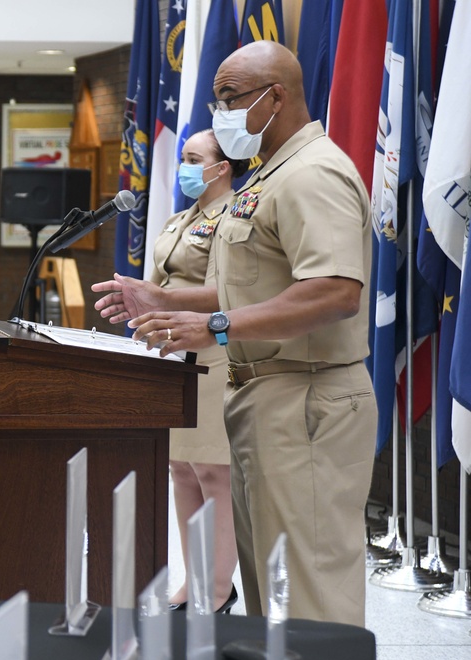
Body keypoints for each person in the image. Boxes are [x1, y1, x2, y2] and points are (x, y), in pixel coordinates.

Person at [92, 41, 375, 627]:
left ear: (276, 96)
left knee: (308, 593)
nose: (219, 114)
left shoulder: (313, 173)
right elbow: (257, 288)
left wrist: (214, 325)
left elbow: (335, 291)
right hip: (260, 395)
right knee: (270, 590)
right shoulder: (268, 175)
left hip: (307, 399)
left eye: (230, 99)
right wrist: (167, 299)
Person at [149, 129, 248, 614]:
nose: (185, 166)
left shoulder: (235, 217)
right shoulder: (177, 219)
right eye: (183, 157)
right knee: (181, 470)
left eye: (194, 158)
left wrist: (157, 301)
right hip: (172, 357)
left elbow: (223, 292)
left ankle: (218, 588)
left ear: (222, 166)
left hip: (215, 354)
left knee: (213, 471)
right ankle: (193, 582)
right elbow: (158, 281)